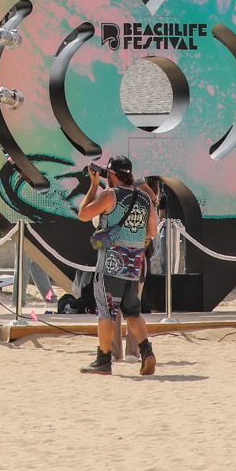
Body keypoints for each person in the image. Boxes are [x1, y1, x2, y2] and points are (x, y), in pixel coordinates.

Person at [75, 155, 157, 376]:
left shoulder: (109, 194)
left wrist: (93, 186)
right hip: (134, 264)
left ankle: (103, 361)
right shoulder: (143, 198)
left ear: (111, 174)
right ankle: (146, 352)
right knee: (133, 311)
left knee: (106, 312)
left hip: (111, 263)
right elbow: (152, 232)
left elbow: (83, 214)